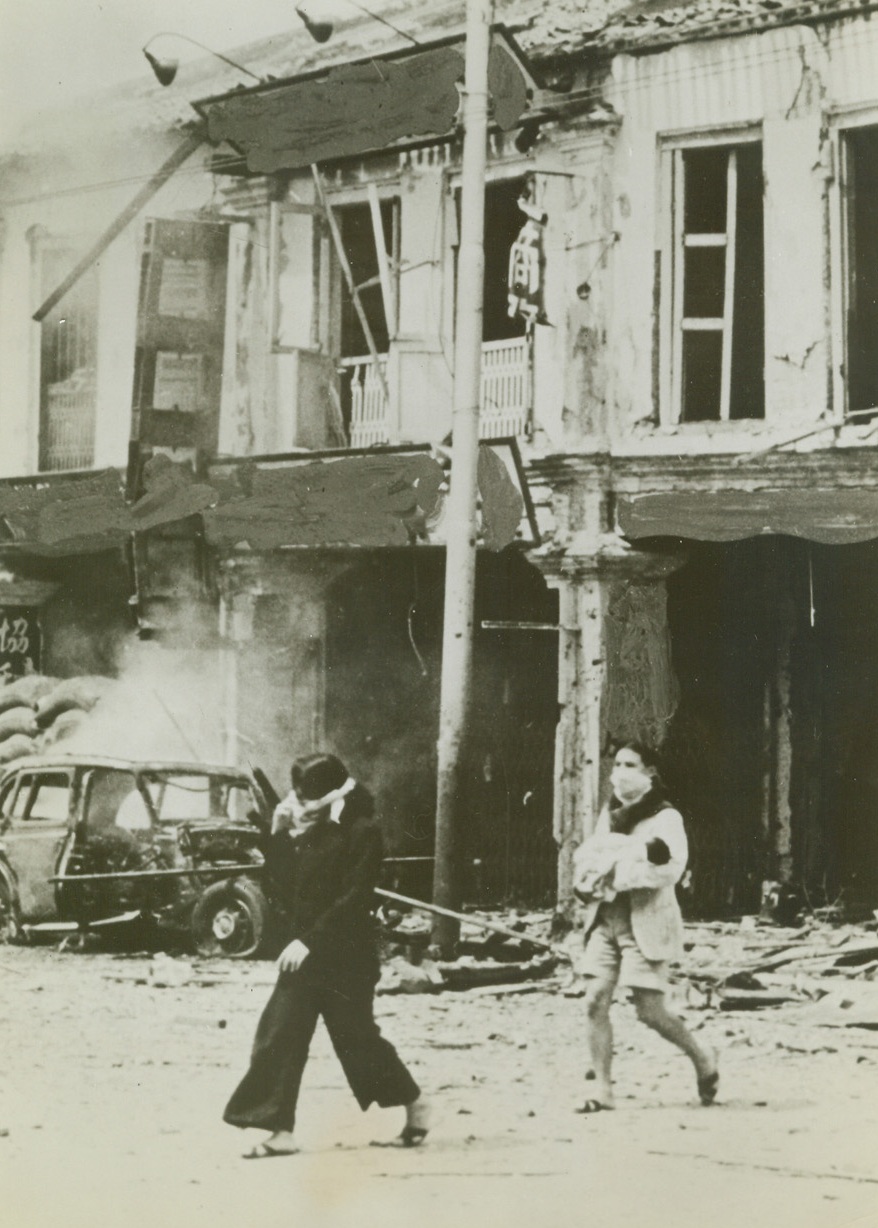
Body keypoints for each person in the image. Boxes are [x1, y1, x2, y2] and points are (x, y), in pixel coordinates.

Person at [223, 752, 430, 1157]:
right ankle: (279, 1130)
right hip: (307, 954)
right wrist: (278, 836)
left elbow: (355, 898)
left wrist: (311, 941)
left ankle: (415, 1105)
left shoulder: (362, 830)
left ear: (331, 793)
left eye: (305, 797)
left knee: (357, 1041)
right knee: (279, 1033)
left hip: (346, 956)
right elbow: (284, 889)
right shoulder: (306, 828)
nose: (298, 804)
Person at [571, 742, 719, 1112]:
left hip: (645, 919)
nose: (620, 771)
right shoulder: (611, 812)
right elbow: (594, 853)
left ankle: (702, 1056)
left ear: (650, 771)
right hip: (606, 917)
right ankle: (602, 1089)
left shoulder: (665, 817)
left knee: (649, 1010)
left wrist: (619, 870)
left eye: (630, 764)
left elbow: (670, 867)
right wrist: (588, 878)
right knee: (594, 1000)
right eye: (617, 763)